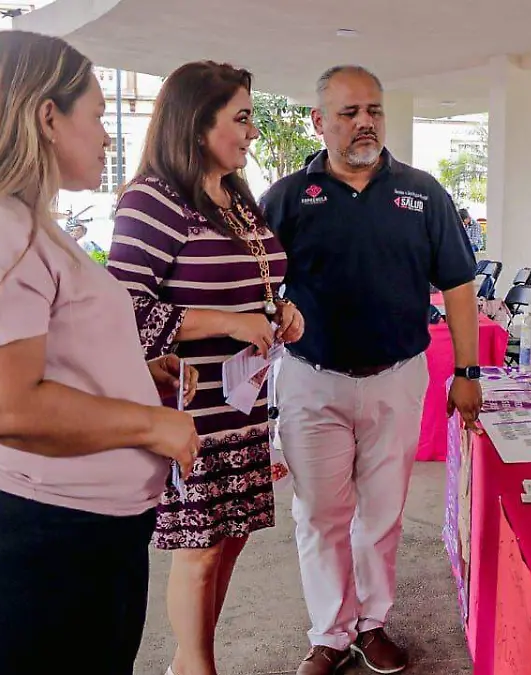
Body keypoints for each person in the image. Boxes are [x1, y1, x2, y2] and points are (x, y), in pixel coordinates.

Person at [0, 31, 200, 675]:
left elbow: (51, 358)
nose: (108, 136)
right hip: (45, 538)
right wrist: (149, 422)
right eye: (99, 114)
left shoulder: (30, 225)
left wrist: (135, 375)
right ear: (48, 117)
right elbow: (4, 404)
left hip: (80, 533)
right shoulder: (2, 227)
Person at [260, 65, 482, 675]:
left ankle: (374, 623)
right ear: (318, 121)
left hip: (397, 376)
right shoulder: (285, 198)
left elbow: (459, 283)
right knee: (320, 514)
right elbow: (253, 285)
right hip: (311, 380)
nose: (365, 122)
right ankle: (330, 634)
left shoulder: (423, 193)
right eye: (350, 112)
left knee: (382, 514)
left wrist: (468, 369)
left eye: (374, 111)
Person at [107, 61, 304, 675]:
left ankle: (191, 664)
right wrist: (225, 321)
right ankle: (196, 668)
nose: (251, 131)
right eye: (241, 117)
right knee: (199, 548)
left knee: (230, 540)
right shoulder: (153, 200)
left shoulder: (235, 197)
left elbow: (258, 279)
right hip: (190, 407)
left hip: (243, 403)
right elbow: (122, 308)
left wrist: (278, 309)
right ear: (197, 124)